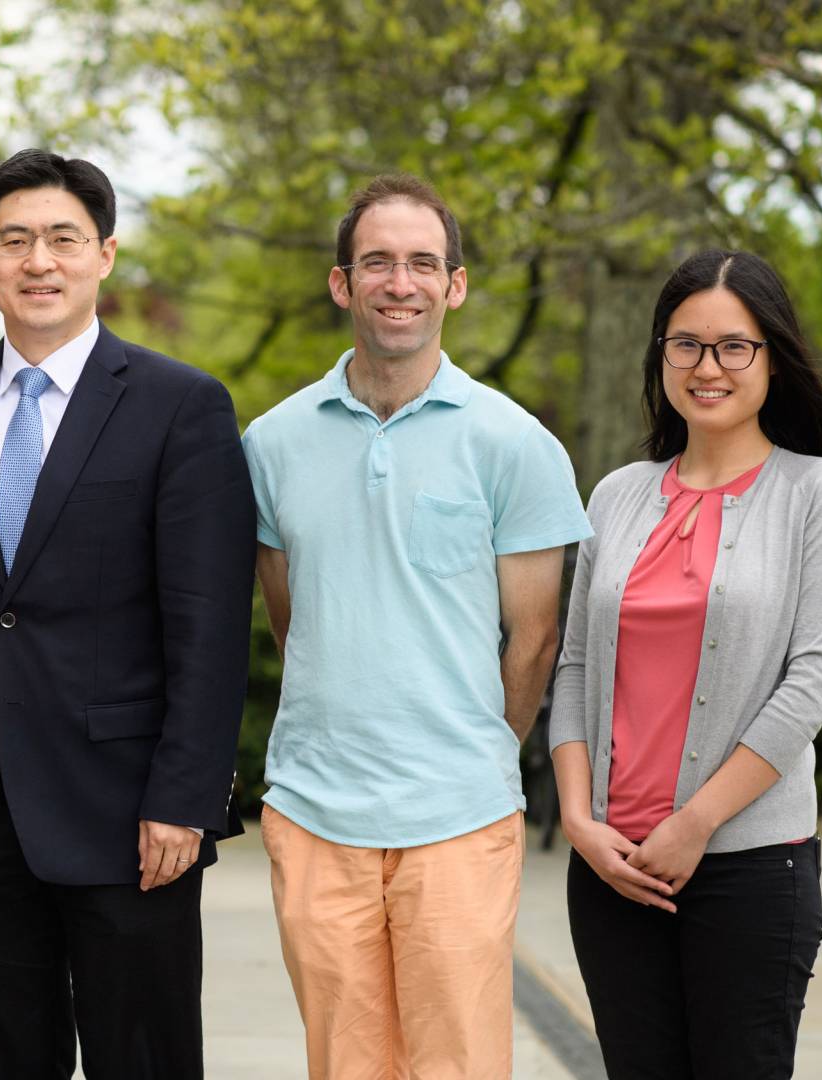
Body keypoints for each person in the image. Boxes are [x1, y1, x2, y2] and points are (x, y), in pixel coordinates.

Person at [0, 148, 256, 1078]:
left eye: (62, 238)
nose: (38, 261)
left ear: (105, 254)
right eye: (14, 240)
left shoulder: (183, 406)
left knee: (146, 1057)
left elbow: (209, 626)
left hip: (130, 814)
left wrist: (186, 799)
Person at [242, 173, 592, 1079]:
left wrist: (476, 749)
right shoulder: (270, 445)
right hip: (317, 811)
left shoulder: (515, 443)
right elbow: (291, 618)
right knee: (345, 1066)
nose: (402, 282)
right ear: (341, 283)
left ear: (456, 284)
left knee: (460, 1065)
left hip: (459, 813)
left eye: (423, 263)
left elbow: (537, 639)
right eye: (379, 262)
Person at [549, 249, 822, 1078]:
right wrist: (580, 823)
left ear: (772, 357)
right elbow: (576, 668)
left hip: (752, 871)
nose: (707, 366)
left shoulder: (814, 493)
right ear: (661, 356)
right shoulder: (616, 495)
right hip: (614, 873)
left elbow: (811, 686)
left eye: (734, 346)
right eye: (685, 344)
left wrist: (693, 826)